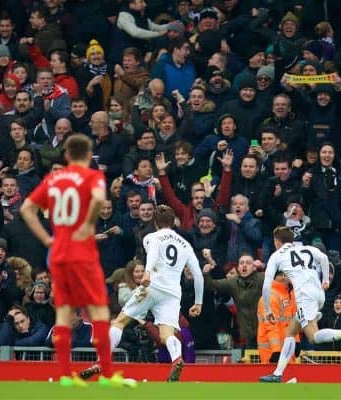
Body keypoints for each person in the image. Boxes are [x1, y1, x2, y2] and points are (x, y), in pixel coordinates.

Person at [20, 134, 124, 387]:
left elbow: (26, 209)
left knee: (64, 314)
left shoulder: (54, 178)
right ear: (89, 155)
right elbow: (99, 199)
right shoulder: (92, 177)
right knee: (99, 310)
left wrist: (47, 239)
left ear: (66, 155)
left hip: (58, 254)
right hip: (83, 254)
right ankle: (108, 375)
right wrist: (88, 224)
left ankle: (66, 375)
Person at [80, 205, 204, 382]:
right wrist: (198, 303)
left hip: (152, 285)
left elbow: (153, 253)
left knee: (121, 321)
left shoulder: (151, 237)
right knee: (167, 332)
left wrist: (147, 272)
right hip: (172, 293)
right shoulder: (185, 245)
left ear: (155, 222)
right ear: (173, 223)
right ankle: (177, 358)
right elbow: (198, 274)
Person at [259, 226, 341, 383]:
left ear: (277, 242)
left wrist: (267, 310)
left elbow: (266, 285)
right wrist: (326, 280)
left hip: (305, 296)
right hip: (319, 293)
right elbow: (324, 258)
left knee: (313, 337)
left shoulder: (276, 256)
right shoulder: (306, 248)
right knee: (291, 331)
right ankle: (278, 374)